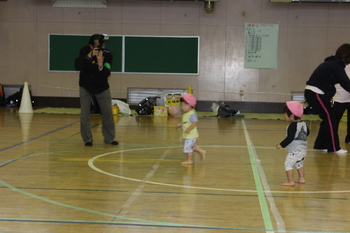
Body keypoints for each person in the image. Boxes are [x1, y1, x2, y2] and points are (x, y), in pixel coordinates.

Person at [304, 43, 350, 154]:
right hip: (315, 92)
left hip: (316, 93)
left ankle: (320, 145)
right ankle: (334, 148)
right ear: (346, 57)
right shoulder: (336, 66)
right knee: (330, 119)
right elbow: (346, 84)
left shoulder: (333, 64)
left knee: (328, 119)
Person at [74, 34, 118, 146]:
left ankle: (109, 139)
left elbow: (107, 73)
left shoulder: (107, 55)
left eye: (101, 46)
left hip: (102, 87)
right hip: (85, 86)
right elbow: (77, 65)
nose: (99, 49)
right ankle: (87, 139)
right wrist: (89, 56)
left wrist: (100, 65)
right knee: (85, 114)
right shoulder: (84, 51)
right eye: (96, 47)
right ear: (91, 45)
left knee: (108, 112)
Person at [276, 101, 310, 187]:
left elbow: (290, 138)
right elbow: (307, 132)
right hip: (303, 150)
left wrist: (281, 144)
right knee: (299, 164)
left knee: (288, 164)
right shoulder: (304, 123)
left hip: (295, 151)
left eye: (285, 114)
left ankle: (291, 181)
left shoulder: (292, 126)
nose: (284, 116)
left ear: (291, 115)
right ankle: (301, 178)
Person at [176, 94, 206, 165]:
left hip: (191, 135)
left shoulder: (192, 113)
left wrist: (189, 128)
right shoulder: (187, 113)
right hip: (189, 135)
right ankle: (202, 151)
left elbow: (195, 122)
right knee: (192, 146)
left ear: (188, 105)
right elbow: (187, 122)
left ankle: (189, 160)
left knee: (188, 148)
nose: (181, 107)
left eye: (182, 105)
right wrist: (181, 124)